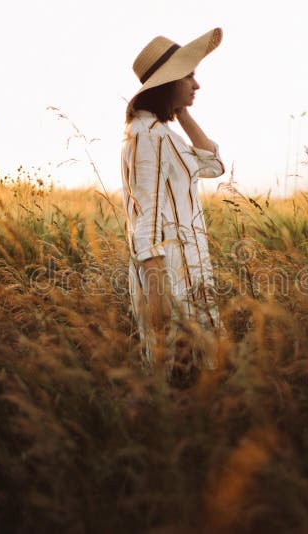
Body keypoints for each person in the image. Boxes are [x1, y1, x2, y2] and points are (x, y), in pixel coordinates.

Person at [120, 28, 225, 384]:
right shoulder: (146, 136)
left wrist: (180, 113)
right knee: (175, 370)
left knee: (201, 367)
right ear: (168, 82)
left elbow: (213, 165)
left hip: (190, 265)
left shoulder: (163, 134)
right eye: (189, 76)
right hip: (169, 272)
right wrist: (155, 292)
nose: (197, 85)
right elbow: (144, 215)